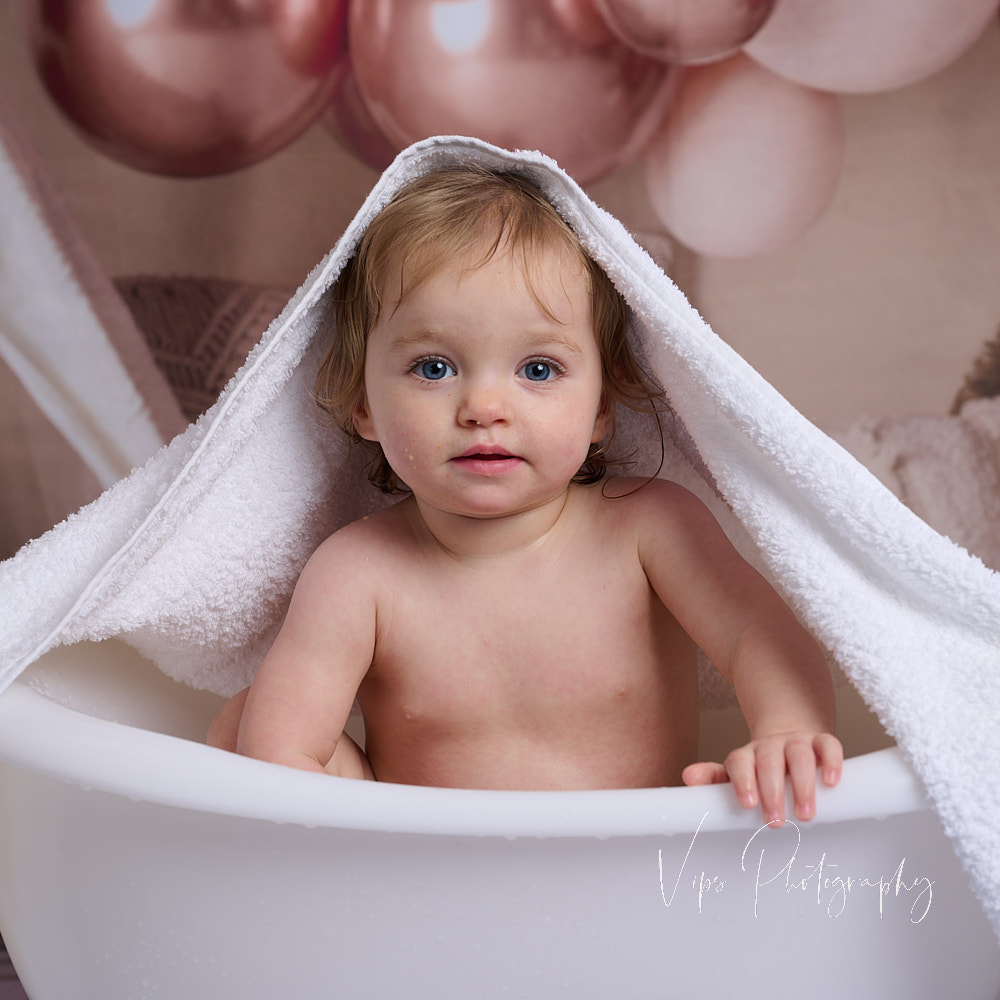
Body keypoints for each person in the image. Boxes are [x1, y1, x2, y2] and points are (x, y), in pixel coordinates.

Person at [208, 164, 843, 826]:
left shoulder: (647, 530)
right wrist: (287, 763)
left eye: (538, 369)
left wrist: (784, 733)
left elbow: (758, 635)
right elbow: (282, 756)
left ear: (603, 407)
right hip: (422, 868)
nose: (484, 406)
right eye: (434, 368)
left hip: (628, 861)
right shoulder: (357, 572)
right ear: (363, 404)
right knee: (244, 722)